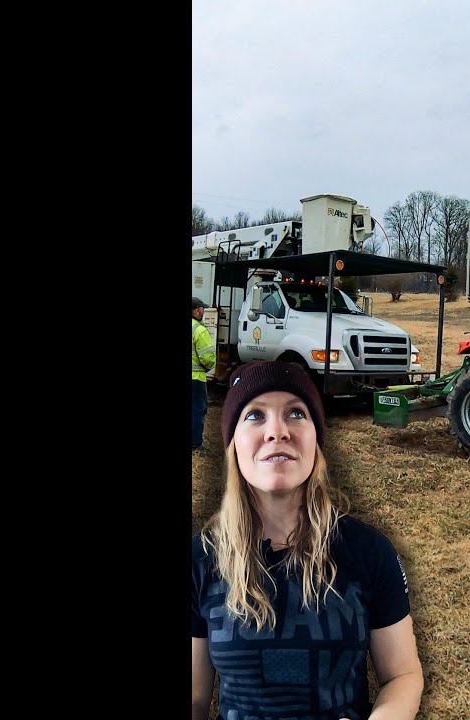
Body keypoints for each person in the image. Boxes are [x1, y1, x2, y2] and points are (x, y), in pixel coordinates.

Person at [192, 361, 423, 720]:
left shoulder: (369, 551)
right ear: (233, 443)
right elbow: (195, 698)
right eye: (255, 415)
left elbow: (402, 675)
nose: (277, 431)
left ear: (316, 439)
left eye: (296, 413)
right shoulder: (200, 558)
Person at [192, 297, 217, 452]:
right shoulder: (199, 330)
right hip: (196, 379)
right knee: (197, 410)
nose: (203, 312)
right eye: (202, 309)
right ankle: (195, 444)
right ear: (196, 311)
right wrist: (207, 368)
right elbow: (207, 358)